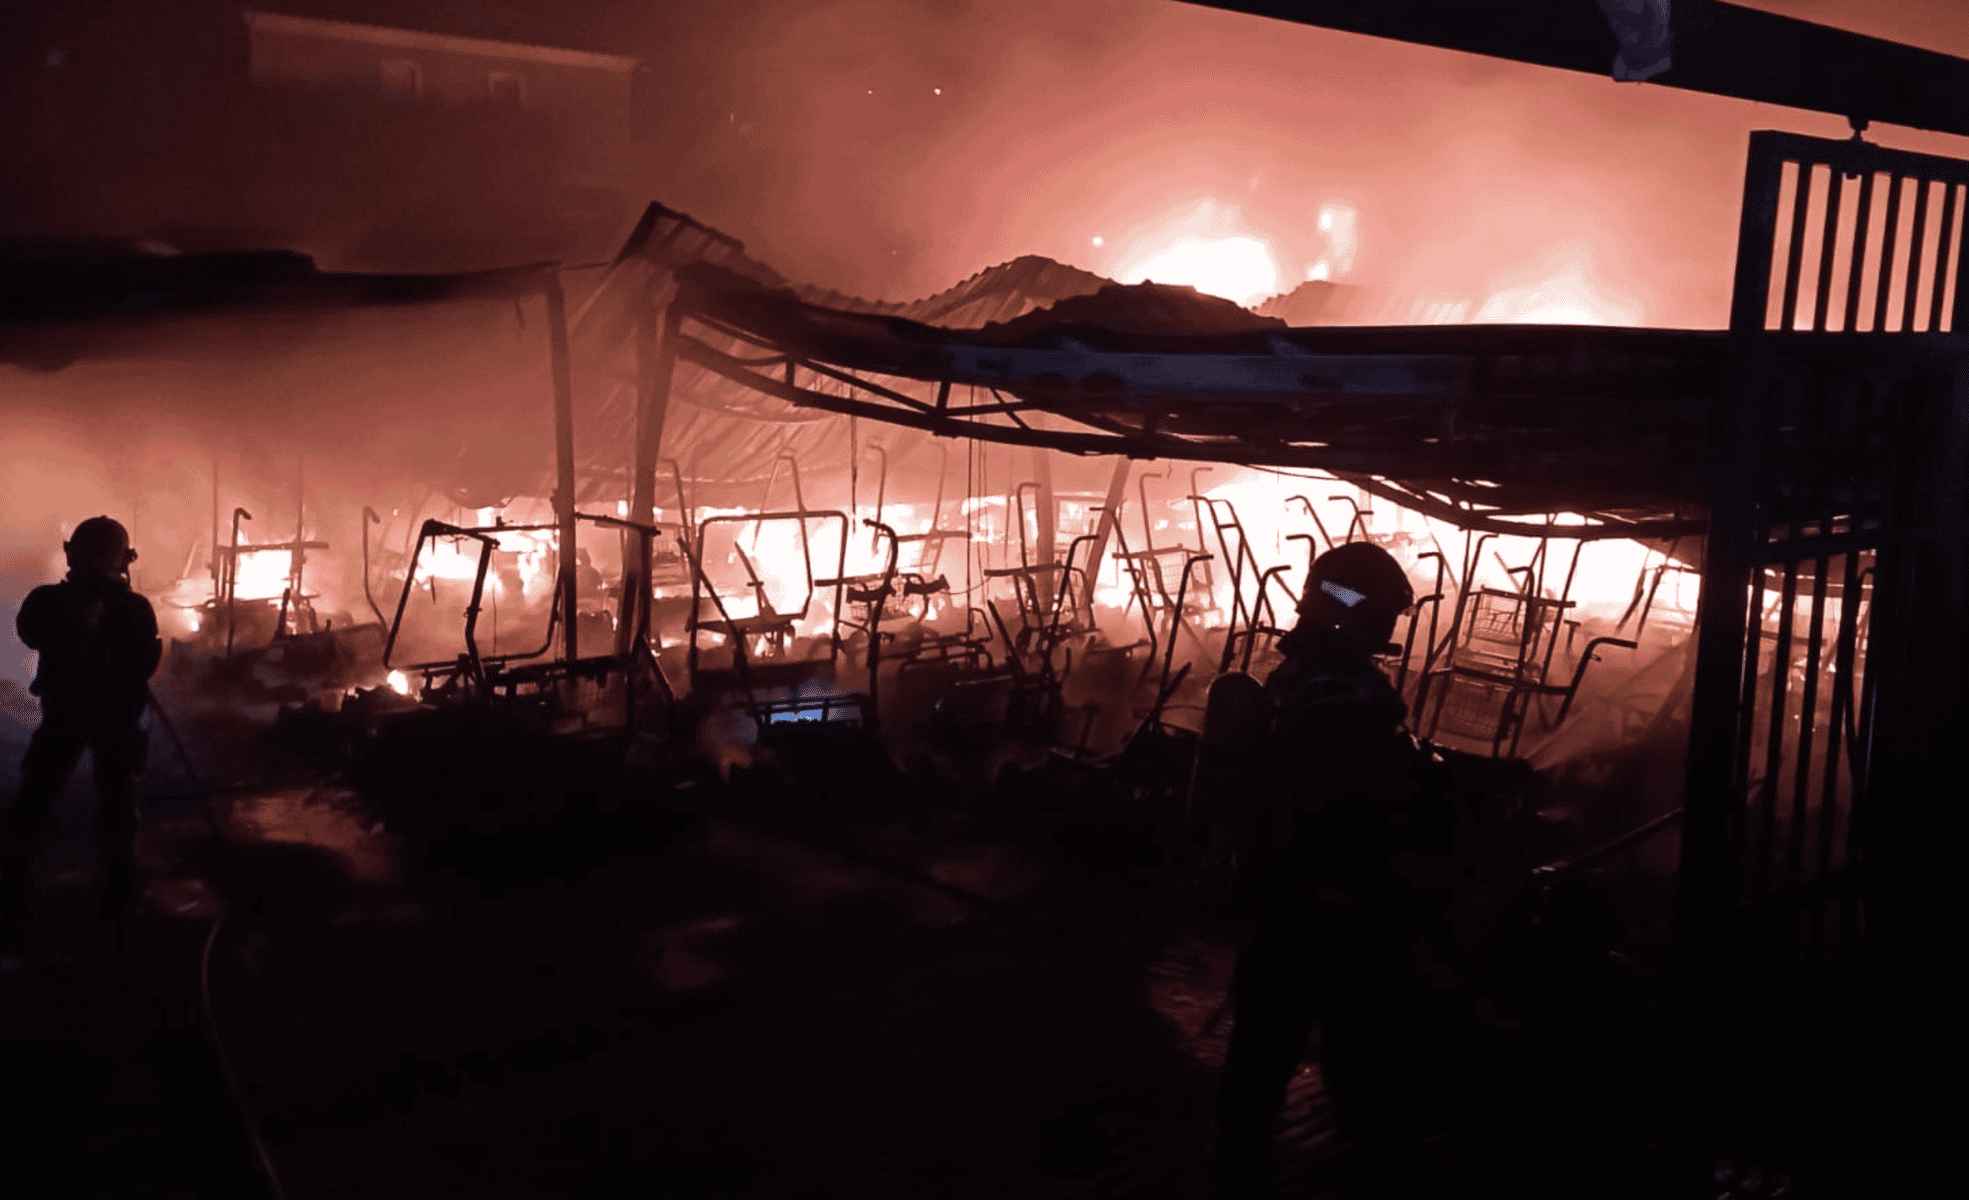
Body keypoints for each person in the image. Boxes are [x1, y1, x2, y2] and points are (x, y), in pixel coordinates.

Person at [1214, 542, 1464, 1194]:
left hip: (1294, 899)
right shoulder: (1338, 697)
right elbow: (1346, 802)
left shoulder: (1297, 680)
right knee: (1348, 1059)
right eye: (1382, 615)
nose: (1389, 630)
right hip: (1330, 905)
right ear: (1357, 612)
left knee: (1269, 1054)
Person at [2, 516, 161, 943]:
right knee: (117, 808)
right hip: (114, 721)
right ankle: (117, 899)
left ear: (73, 553)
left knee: (36, 799)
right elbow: (146, 662)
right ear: (123, 559)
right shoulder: (134, 608)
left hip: (65, 716)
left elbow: (30, 633)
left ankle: (13, 888)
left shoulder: (49, 600)